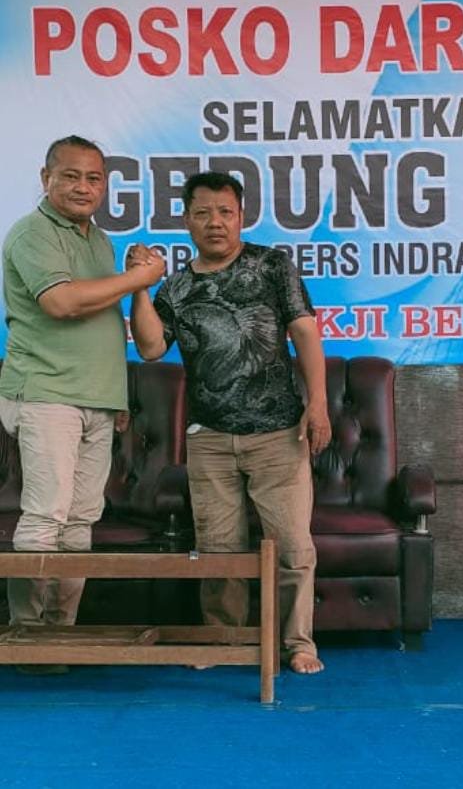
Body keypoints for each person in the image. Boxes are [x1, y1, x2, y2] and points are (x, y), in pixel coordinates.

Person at [129, 171, 331, 674]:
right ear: (187, 220)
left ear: (241, 216)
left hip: (279, 433)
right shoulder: (177, 286)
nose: (214, 222)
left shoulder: (272, 265)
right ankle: (224, 640)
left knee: (292, 547)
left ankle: (297, 643)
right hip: (210, 439)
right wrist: (140, 288)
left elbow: (305, 331)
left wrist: (318, 403)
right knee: (218, 550)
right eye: (203, 213)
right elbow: (151, 348)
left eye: (225, 212)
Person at [0, 136, 165, 660]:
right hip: (46, 392)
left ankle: (60, 636)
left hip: (96, 399)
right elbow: (62, 303)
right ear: (45, 178)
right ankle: (28, 637)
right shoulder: (31, 234)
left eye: (94, 178)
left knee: (80, 521)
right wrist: (136, 277)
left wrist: (116, 398)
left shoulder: (100, 241)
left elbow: (103, 321)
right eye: (70, 175)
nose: (83, 187)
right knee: (45, 516)